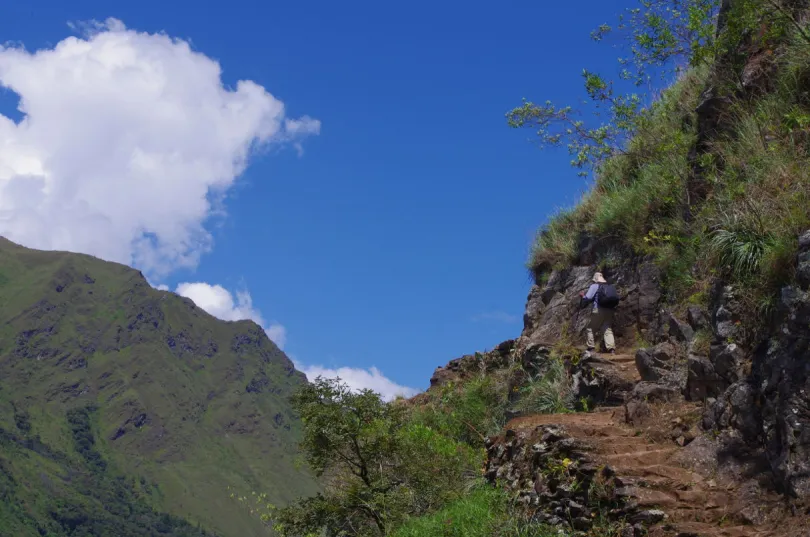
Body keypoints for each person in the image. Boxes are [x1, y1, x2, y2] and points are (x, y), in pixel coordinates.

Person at [578, 272, 618, 354]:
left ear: (595, 279)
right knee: (607, 328)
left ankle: (591, 347)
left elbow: (588, 297)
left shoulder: (594, 286)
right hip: (609, 310)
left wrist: (582, 295)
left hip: (598, 309)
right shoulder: (609, 286)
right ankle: (611, 349)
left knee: (590, 328)